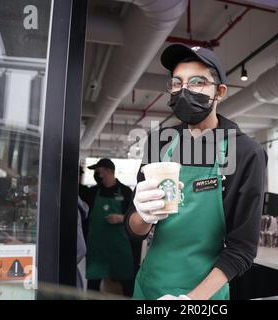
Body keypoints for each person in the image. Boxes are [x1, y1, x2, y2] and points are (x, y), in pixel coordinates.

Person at [125, 44, 268, 300]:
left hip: (204, 294)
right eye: (177, 83)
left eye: (197, 82)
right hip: (149, 285)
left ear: (220, 92)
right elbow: (135, 230)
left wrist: (190, 301)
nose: (184, 91)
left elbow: (242, 250)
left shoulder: (245, 153)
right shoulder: (159, 143)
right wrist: (143, 215)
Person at [85, 158, 134, 295]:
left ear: (108, 171)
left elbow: (135, 216)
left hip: (118, 246)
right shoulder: (93, 192)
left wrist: (122, 218)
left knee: (127, 284)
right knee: (92, 286)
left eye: (98, 171)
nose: (96, 174)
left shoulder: (125, 191)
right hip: (97, 247)